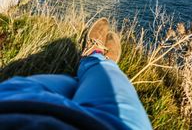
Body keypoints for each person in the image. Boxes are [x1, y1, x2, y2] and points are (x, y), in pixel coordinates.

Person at [0, 18, 152, 129]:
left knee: (65, 84)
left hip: (11, 104)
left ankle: (90, 63)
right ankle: (97, 58)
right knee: (107, 74)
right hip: (104, 125)